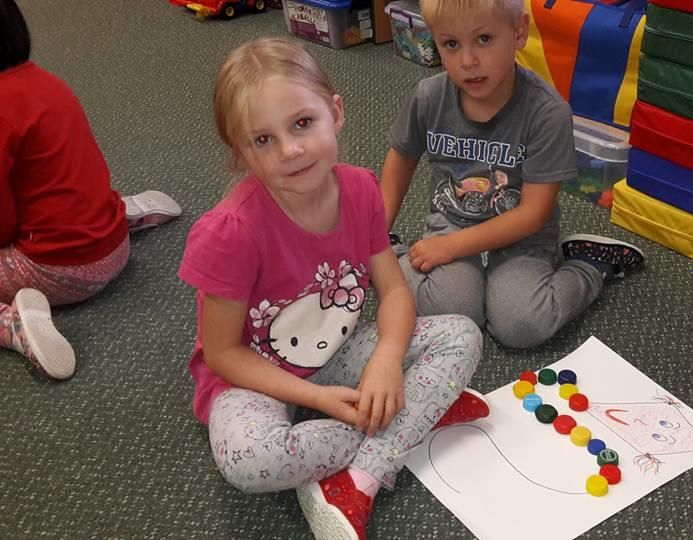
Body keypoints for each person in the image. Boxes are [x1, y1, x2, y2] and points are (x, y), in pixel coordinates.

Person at [178, 37, 488, 540]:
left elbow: (394, 291)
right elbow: (223, 353)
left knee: (461, 334)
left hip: (336, 353)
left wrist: (387, 357)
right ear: (240, 153)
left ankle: (362, 472)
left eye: (303, 123)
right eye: (263, 140)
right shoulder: (229, 232)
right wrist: (319, 399)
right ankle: (412, 422)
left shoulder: (361, 189)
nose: (290, 150)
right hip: (254, 376)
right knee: (247, 459)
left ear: (336, 113)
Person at [380, 0, 645, 350]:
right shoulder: (429, 96)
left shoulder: (547, 112)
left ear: (519, 32)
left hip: (521, 237)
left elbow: (532, 214)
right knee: (455, 313)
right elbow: (400, 161)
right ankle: (392, 251)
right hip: (452, 223)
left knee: (521, 325)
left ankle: (590, 266)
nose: (468, 61)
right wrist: (374, 238)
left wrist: (451, 247)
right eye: (451, 44)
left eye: (484, 39)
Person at [0, 0, 181, 379]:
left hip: (59, 271)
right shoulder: (44, 81)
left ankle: (13, 326)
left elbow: (3, 226)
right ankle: (123, 215)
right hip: (111, 241)